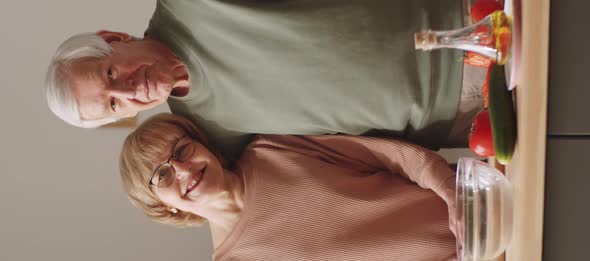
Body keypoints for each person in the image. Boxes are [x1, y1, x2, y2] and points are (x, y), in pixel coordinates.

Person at [119, 113, 485, 261]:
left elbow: (394, 157)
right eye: (163, 176)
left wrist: (453, 197)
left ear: (201, 144)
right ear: (162, 207)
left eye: (181, 150)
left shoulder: (273, 148)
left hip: (485, 209)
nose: (182, 169)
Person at [46, 0, 485, 158]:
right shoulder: (205, 134)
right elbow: (230, 205)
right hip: (457, 118)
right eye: (112, 105)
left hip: (464, 12)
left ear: (114, 38)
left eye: (110, 73)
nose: (126, 91)